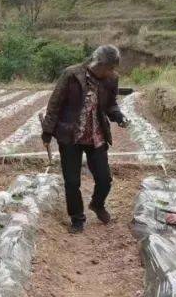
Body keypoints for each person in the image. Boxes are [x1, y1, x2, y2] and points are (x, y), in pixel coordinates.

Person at [41, 45, 130, 233]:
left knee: (104, 179)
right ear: (98, 63)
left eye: (113, 68)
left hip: (96, 135)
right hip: (70, 135)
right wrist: (47, 132)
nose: (111, 72)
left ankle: (97, 204)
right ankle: (77, 218)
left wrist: (119, 116)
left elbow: (111, 104)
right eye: (109, 68)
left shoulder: (111, 79)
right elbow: (55, 103)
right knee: (72, 181)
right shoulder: (71, 74)